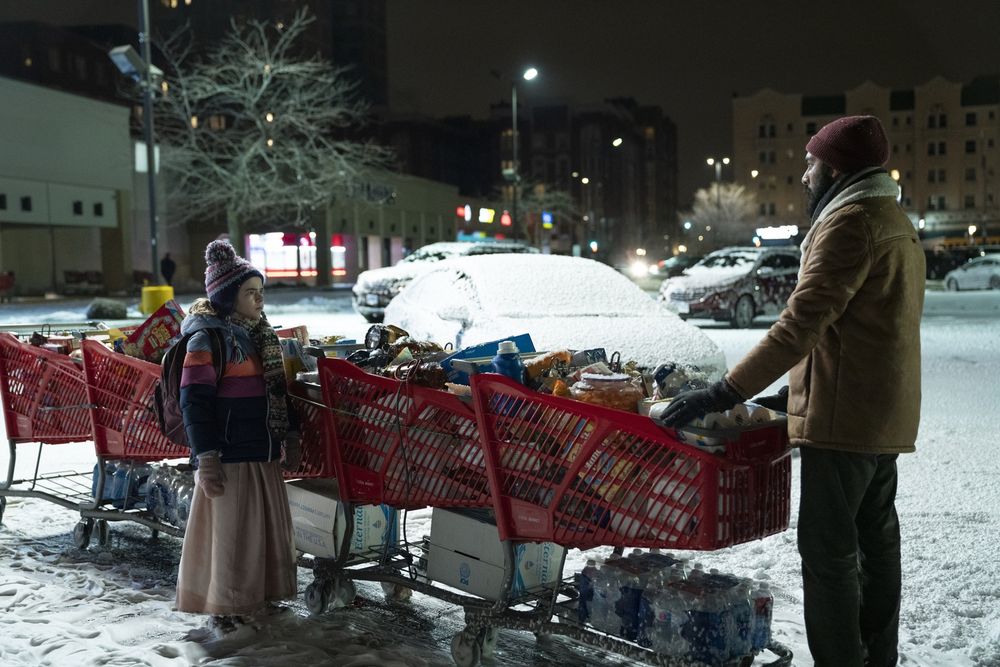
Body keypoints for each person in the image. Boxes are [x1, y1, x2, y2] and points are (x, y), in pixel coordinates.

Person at [659, 115, 924, 667]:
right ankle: (878, 657)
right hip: (881, 413)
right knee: (877, 545)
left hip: (844, 425)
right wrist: (792, 394)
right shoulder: (892, 219)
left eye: (811, 163)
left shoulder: (850, 222)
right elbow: (863, 331)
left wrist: (724, 392)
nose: (804, 175)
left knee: (828, 555)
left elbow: (800, 325)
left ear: (836, 169)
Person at [175, 239, 301, 635]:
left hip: (261, 451)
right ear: (228, 297)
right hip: (229, 456)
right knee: (231, 539)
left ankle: (257, 598)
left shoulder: (260, 336)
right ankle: (226, 608)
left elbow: (277, 391)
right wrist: (207, 457)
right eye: (250, 292)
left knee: (261, 535)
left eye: (260, 291)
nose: (259, 299)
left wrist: (291, 435)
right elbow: (194, 402)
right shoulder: (207, 339)